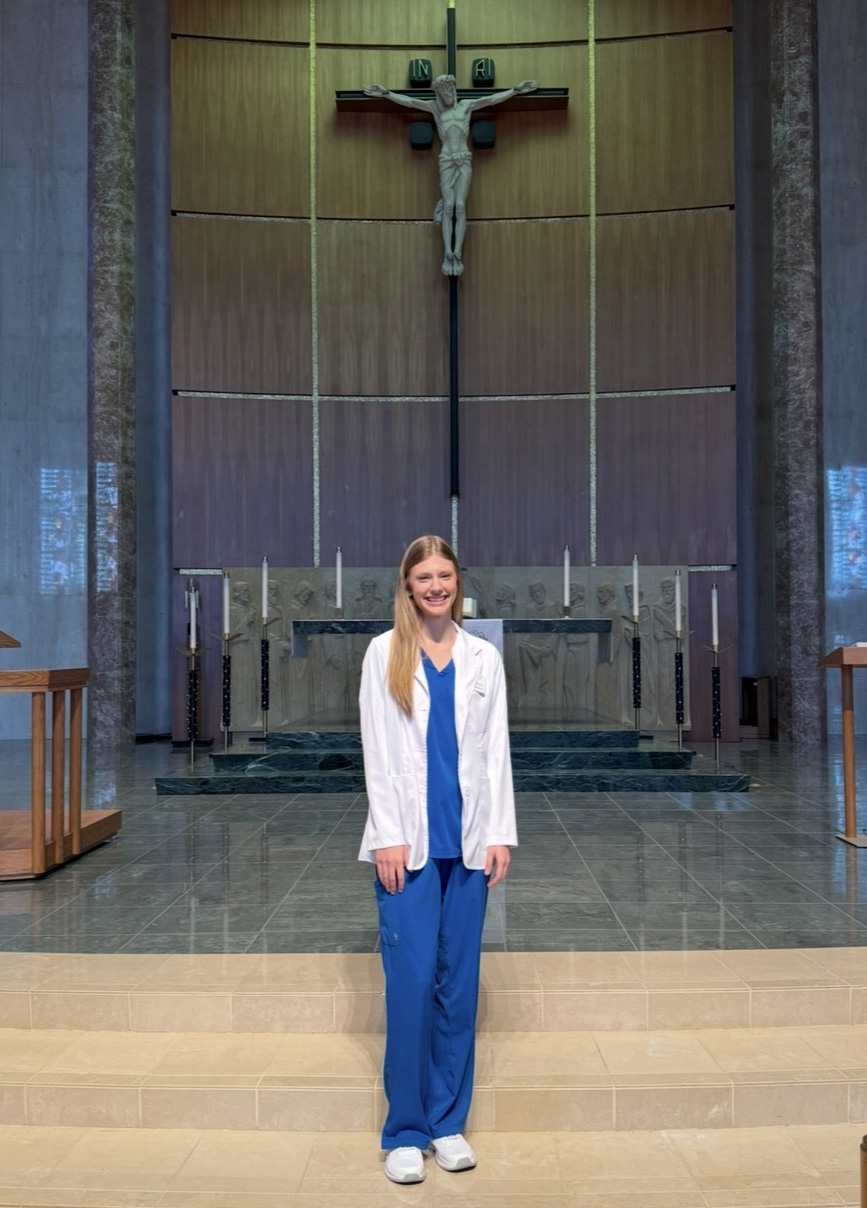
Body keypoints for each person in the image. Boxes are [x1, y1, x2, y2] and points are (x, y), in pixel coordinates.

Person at [358, 535, 516, 1185]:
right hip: (409, 848)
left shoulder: (483, 657)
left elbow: (495, 750)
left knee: (457, 989)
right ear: (406, 584)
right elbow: (376, 749)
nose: (434, 586)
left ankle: (448, 1124)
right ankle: (405, 1130)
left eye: (443, 575)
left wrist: (500, 833)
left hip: (469, 847)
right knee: (412, 983)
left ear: (457, 581)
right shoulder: (382, 653)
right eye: (422, 576)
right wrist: (387, 835)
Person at [364, 74, 538, 276]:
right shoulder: (435, 109)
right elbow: (410, 102)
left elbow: (491, 99)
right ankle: (447, 253)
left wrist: (516, 90)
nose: (450, 93)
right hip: (446, 160)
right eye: (445, 90)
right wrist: (386, 94)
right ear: (439, 93)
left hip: (464, 159)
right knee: (448, 206)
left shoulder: (466, 106)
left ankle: (457, 253)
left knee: (461, 206)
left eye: (451, 89)